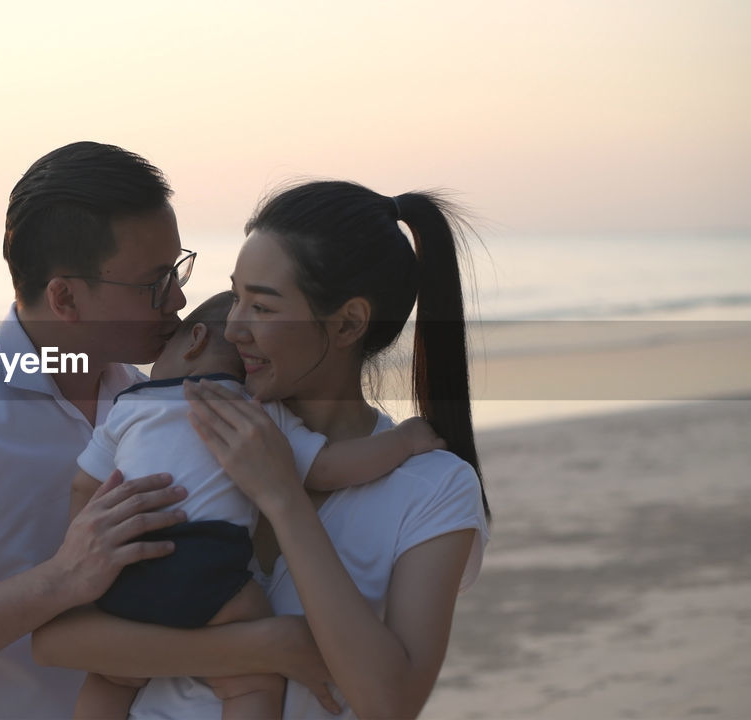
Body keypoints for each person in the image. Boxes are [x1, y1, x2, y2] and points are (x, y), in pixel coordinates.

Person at [0, 142, 334, 720]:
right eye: (156, 283)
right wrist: (60, 579)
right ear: (66, 297)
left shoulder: (161, 404)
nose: (180, 299)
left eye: (179, 270)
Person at [33, 180, 491, 720]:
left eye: (263, 308)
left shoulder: (433, 489)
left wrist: (282, 497)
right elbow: (59, 640)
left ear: (347, 322)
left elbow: (389, 702)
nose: (234, 327)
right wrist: (265, 646)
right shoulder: (183, 431)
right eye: (236, 296)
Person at [70, 291, 446, 719]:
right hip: (205, 568)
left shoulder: (129, 406)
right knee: (253, 680)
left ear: (193, 340)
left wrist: (84, 546)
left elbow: (84, 485)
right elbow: (327, 469)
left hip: (127, 565)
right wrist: (404, 441)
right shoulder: (252, 413)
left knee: (105, 678)